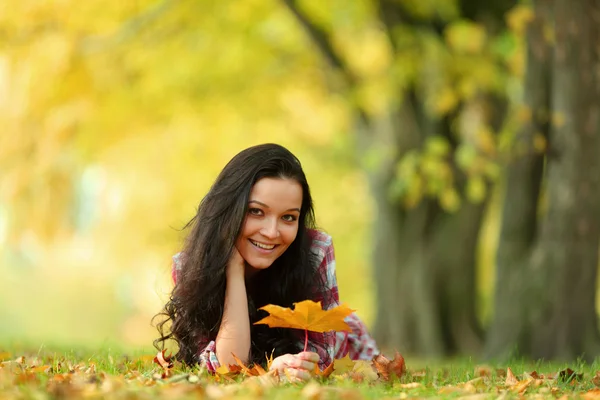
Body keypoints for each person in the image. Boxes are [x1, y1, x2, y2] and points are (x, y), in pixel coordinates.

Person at [154, 143, 378, 381]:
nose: (272, 232)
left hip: (350, 348)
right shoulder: (191, 265)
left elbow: (321, 358)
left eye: (288, 217)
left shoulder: (315, 251)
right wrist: (233, 269)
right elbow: (228, 369)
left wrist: (288, 366)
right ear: (228, 210)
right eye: (256, 212)